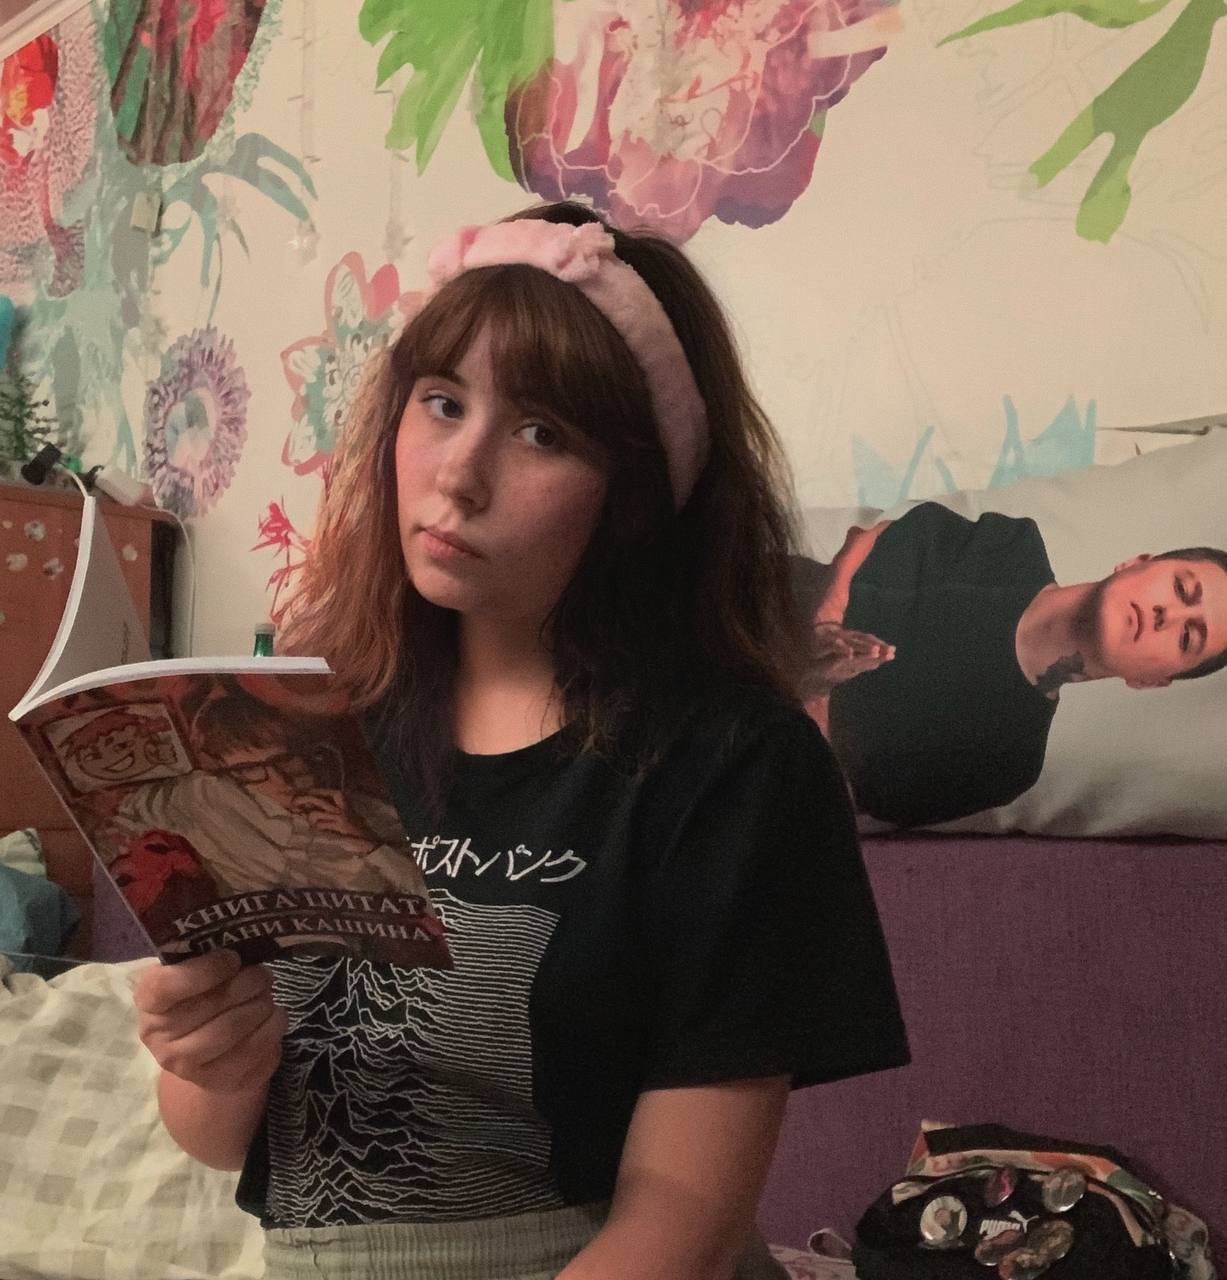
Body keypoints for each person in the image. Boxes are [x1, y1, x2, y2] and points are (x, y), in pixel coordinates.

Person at [133, 202, 910, 1280]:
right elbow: (226, 1143)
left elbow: (679, 1228)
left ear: (635, 497)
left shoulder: (738, 768)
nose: (459, 474)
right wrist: (208, 1057)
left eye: (543, 432)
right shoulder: (298, 727)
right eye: (442, 402)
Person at [796, 501, 1227, 826]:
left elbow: (835, 798)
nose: (1167, 615)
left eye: (1187, 637)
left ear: (1150, 680)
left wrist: (813, 693)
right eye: (1180, 589)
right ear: (1137, 563)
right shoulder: (1010, 545)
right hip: (770, 608)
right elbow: (866, 539)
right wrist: (827, 615)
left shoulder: (1009, 761)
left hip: (774, 735)